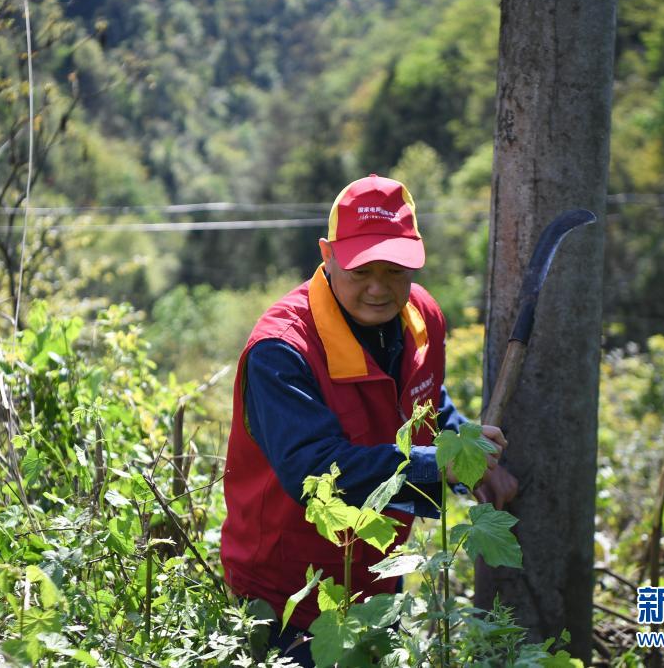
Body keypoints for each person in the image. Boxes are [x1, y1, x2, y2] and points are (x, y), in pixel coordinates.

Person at [220, 174, 518, 665]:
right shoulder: (282, 351)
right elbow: (314, 472)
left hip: (378, 580)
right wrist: (437, 464)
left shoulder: (422, 318)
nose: (379, 289)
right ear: (328, 255)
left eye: (395, 270)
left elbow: (424, 399)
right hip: (286, 597)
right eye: (361, 271)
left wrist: (468, 453)